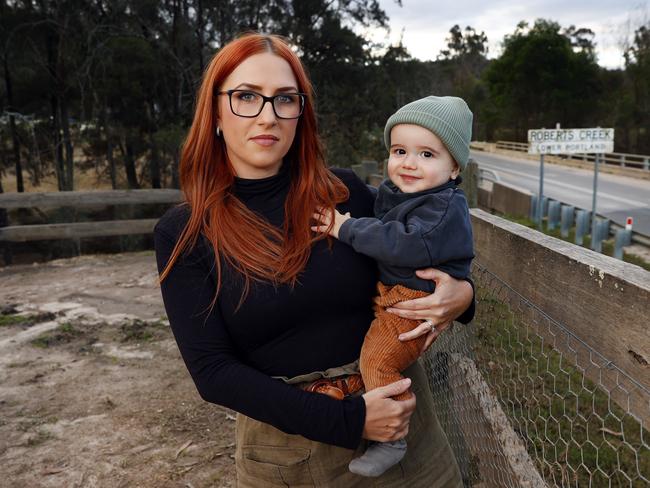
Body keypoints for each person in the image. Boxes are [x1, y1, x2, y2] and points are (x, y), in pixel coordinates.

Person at [153, 32, 474, 487]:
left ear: (300, 113)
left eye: (285, 99)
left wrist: (462, 296)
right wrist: (349, 421)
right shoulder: (185, 232)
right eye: (247, 96)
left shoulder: (342, 194)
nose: (268, 115)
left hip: (410, 441)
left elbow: (426, 243)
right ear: (216, 112)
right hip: (293, 455)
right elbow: (213, 373)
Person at [312, 95, 474, 477]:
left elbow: (403, 242)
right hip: (395, 294)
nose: (409, 163)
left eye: (427, 155)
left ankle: (393, 438)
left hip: (415, 300)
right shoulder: (405, 193)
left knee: (378, 359)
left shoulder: (443, 207)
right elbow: (381, 213)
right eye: (400, 150)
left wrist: (343, 226)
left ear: (454, 168)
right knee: (376, 355)